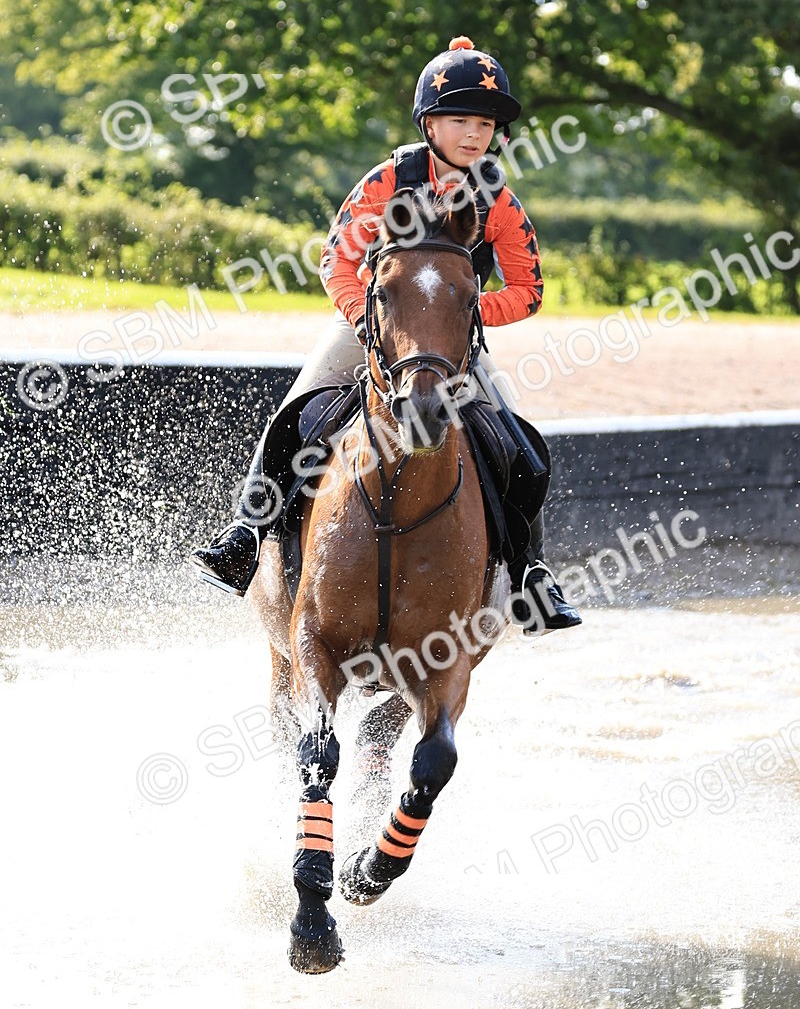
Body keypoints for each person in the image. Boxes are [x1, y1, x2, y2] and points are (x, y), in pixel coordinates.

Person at [191, 36, 581, 634]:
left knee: (520, 444)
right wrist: (368, 319)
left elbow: (528, 290)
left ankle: (531, 574)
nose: (474, 134)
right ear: (429, 122)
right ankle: (245, 533)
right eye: (459, 120)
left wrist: (468, 316)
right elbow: (338, 263)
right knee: (294, 414)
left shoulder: (499, 201)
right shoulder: (385, 182)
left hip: (451, 341)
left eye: (485, 123)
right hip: (372, 322)